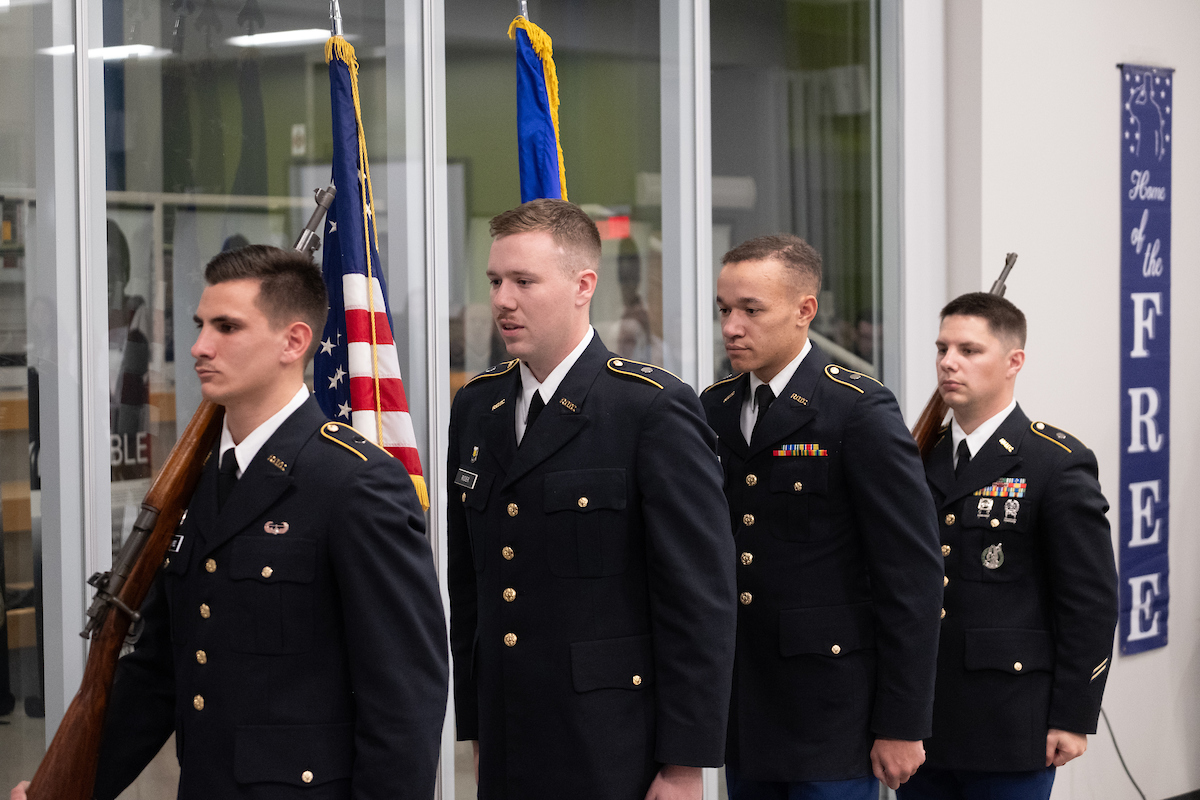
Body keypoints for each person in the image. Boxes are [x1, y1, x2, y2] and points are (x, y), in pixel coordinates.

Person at [13, 245, 448, 800]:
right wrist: (66, 790)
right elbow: (157, 671)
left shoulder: (355, 484)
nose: (199, 347)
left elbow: (405, 699)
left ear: (293, 341)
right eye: (200, 325)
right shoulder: (198, 480)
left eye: (226, 327)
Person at [447, 198, 737, 800]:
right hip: (508, 737)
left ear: (584, 286)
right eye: (495, 281)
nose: (502, 299)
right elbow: (472, 584)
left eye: (524, 281)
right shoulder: (478, 406)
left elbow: (698, 598)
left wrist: (685, 765)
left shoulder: (649, 408)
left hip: (612, 743)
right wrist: (475, 721)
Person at [700, 234, 943, 799]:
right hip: (746, 703)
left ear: (805, 310)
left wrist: (903, 722)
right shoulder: (714, 407)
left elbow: (912, 575)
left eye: (751, 310)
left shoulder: (857, 409)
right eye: (725, 310)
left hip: (831, 708)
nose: (732, 326)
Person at [896, 293, 1118, 800]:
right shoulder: (915, 459)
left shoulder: (1055, 463)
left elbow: (1089, 602)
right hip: (921, 721)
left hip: (1012, 720)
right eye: (942, 348)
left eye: (969, 350)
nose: (949, 362)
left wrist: (1073, 715)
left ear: (1014, 362)